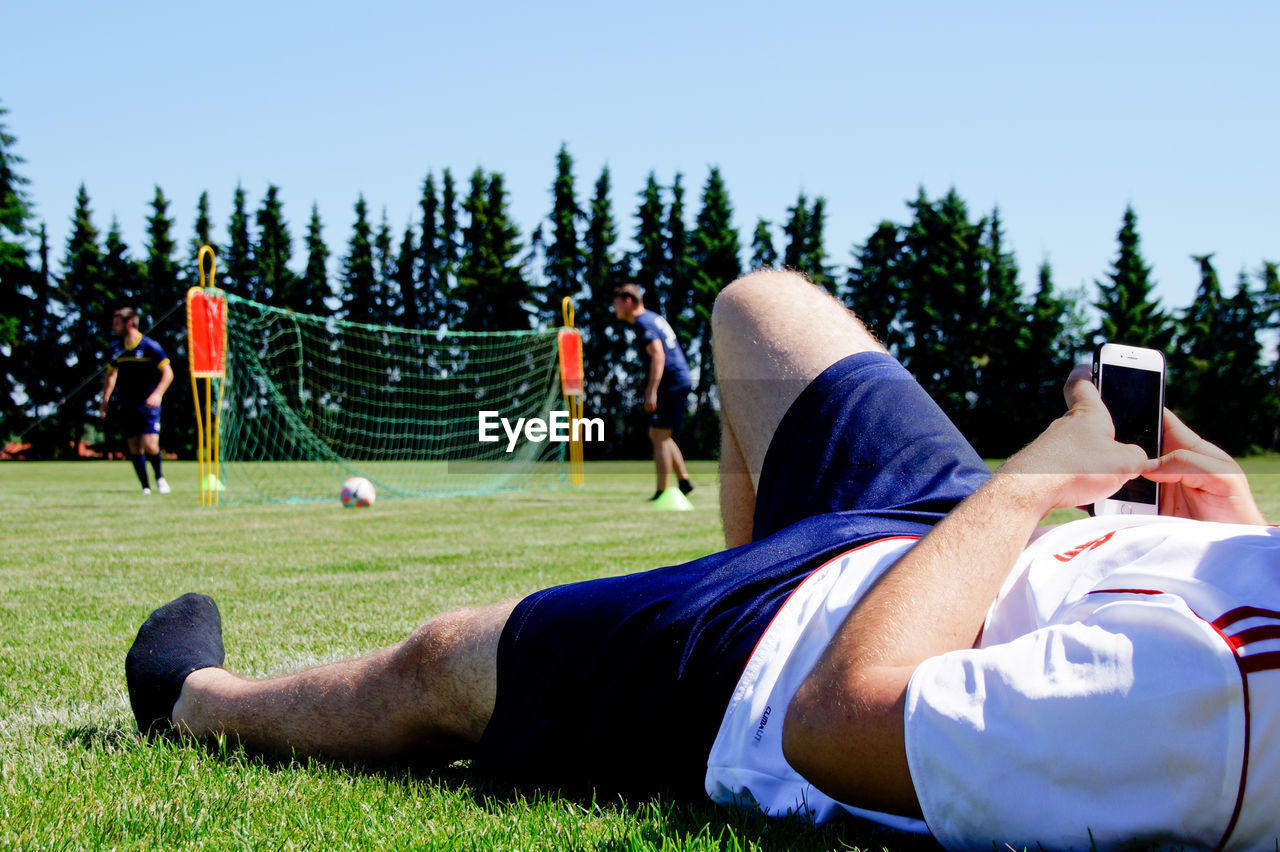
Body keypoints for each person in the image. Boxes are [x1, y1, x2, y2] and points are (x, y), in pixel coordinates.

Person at [125, 270, 1280, 851]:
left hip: (801, 657)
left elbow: (841, 725)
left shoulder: (1212, 700)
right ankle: (731, 572)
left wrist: (1038, 472)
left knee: (442, 662)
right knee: (759, 307)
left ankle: (193, 700)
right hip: (947, 542)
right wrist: (1228, 530)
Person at [611, 283, 696, 500]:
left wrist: (652, 389)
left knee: (658, 434)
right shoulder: (652, 317)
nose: (614, 307)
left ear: (628, 301)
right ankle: (684, 481)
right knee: (662, 433)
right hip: (679, 377)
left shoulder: (642, 323)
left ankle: (662, 491)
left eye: (616, 302)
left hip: (671, 380)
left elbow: (658, 355)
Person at [100, 307, 174, 494]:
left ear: (129, 323)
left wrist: (158, 394)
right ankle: (145, 487)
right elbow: (110, 375)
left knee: (150, 444)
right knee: (134, 447)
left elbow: (168, 373)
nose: (113, 327)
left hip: (148, 403)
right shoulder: (116, 349)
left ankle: (159, 477)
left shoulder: (150, 346)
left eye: (117, 323)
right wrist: (105, 399)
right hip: (126, 404)